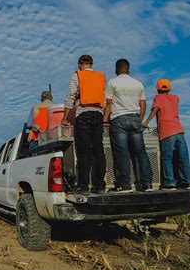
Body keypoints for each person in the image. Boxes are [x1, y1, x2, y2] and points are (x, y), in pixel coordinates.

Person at [103, 59, 153, 193]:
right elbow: (143, 105)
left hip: (119, 120)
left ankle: (125, 185)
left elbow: (108, 104)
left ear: (116, 69)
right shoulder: (138, 84)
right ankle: (147, 184)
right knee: (140, 152)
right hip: (135, 118)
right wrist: (139, 120)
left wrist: (104, 121)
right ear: (128, 69)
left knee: (121, 153)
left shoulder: (112, 82)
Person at [61, 54, 106, 194]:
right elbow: (104, 98)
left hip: (83, 115)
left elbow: (70, 96)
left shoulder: (77, 76)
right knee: (98, 151)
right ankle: (100, 186)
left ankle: (83, 186)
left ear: (80, 64)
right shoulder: (101, 77)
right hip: (98, 115)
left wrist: (65, 117)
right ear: (91, 64)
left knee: (83, 152)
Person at [143, 79, 190, 190]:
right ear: (169, 89)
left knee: (167, 158)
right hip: (179, 130)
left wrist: (146, 122)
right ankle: (187, 182)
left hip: (167, 131)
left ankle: (170, 183)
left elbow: (156, 109)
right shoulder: (175, 98)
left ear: (157, 89)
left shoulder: (158, 97)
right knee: (183, 157)